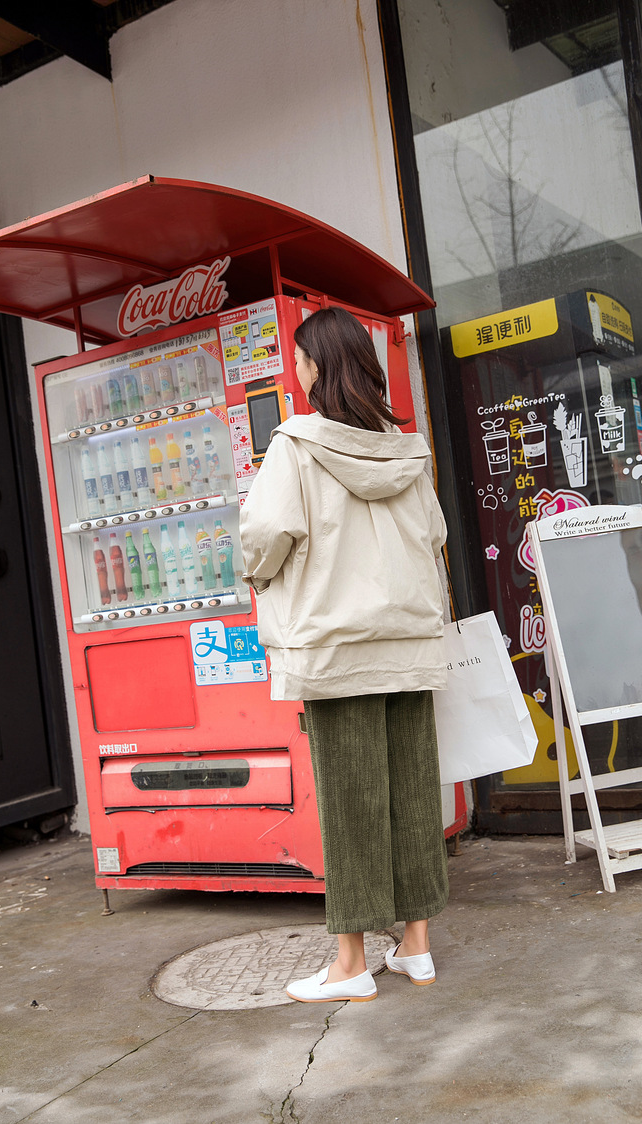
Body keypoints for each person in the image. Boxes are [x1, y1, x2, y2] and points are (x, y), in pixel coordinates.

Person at [239, 306, 449, 1003]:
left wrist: (258, 570)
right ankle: (415, 945)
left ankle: (350, 962)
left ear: (317, 367)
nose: (295, 372)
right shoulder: (411, 451)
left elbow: (266, 532)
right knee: (412, 791)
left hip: (335, 647)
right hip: (408, 641)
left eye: (300, 359)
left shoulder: (295, 446)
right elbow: (436, 536)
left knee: (350, 801)